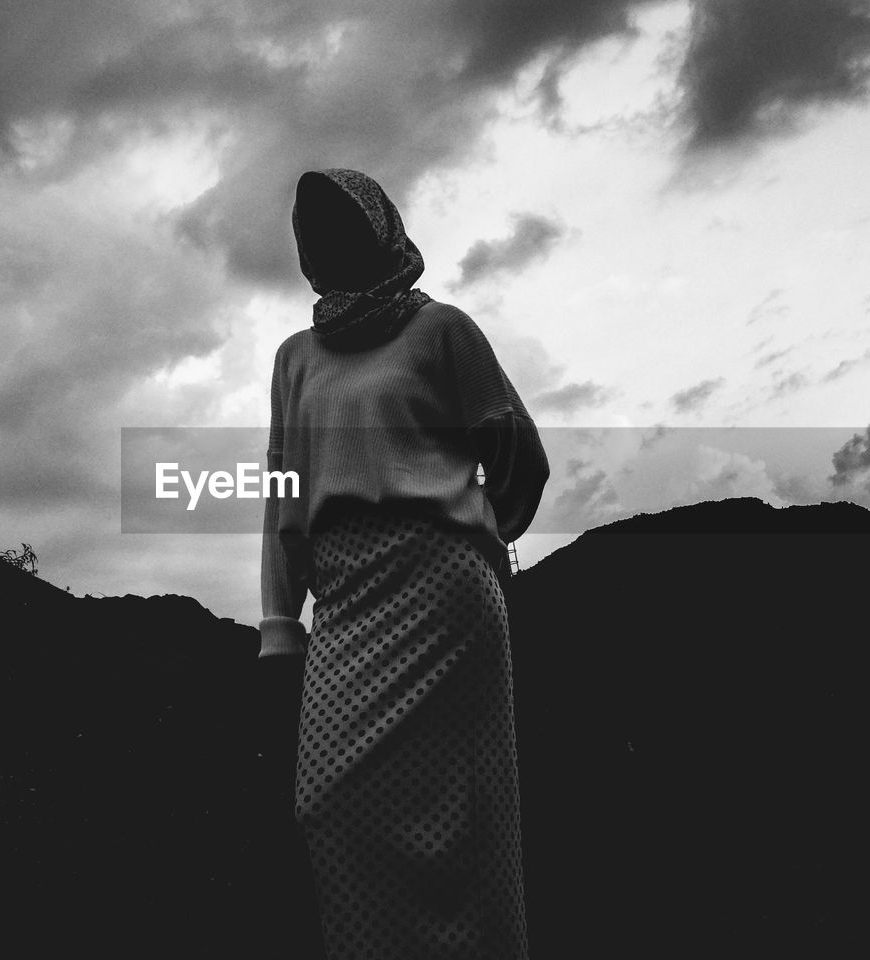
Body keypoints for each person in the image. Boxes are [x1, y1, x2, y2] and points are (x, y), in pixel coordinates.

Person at [258, 167, 550, 960]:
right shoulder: (296, 358)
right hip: (346, 598)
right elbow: (283, 490)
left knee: (463, 817)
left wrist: (476, 528)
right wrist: (281, 621)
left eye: (341, 228)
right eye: (311, 234)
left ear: (380, 231)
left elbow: (517, 451)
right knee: (327, 804)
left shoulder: (442, 330)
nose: (324, 244)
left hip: (444, 591)